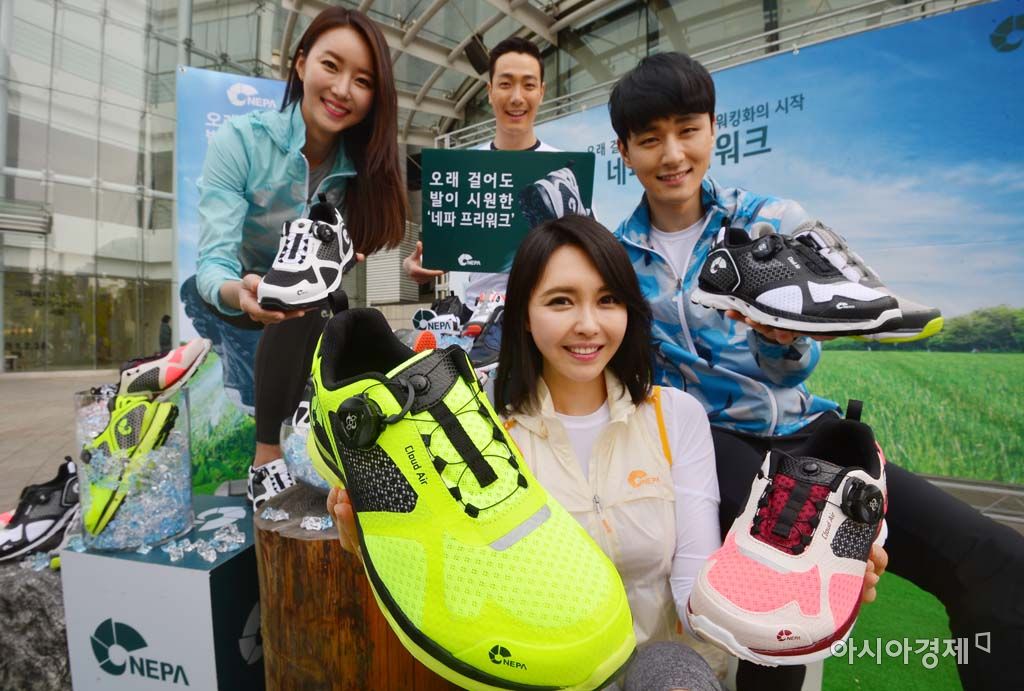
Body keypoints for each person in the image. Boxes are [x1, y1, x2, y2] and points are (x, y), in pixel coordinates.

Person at [607, 51, 1023, 690]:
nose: (673, 154)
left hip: (804, 432)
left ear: (714, 129)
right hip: (703, 446)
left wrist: (782, 339)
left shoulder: (770, 222)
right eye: (649, 139)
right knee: (782, 591)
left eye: (688, 130)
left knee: (997, 562)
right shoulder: (615, 256)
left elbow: (795, 366)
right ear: (624, 151)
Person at [329, 215, 885, 689]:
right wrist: (367, 546)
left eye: (608, 300)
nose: (588, 325)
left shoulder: (677, 417)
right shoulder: (475, 433)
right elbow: (456, 587)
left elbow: (693, 593)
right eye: (561, 302)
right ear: (523, 314)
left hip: (662, 665)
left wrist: (786, 595)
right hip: (538, 671)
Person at [195, 6, 407, 508]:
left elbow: (348, 255)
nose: (343, 90)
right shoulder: (240, 142)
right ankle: (266, 456)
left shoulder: (365, 170)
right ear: (301, 63)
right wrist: (241, 292)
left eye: (363, 80)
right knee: (296, 298)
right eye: (331, 66)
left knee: (329, 307)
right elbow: (212, 264)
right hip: (236, 297)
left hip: (305, 303)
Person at [403, 36, 558, 303]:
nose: (517, 97)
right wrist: (416, 263)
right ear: (490, 91)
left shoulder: (563, 171)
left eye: (529, 85)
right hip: (479, 314)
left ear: (541, 92)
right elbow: (445, 248)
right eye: (505, 84)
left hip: (547, 312)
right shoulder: (462, 172)